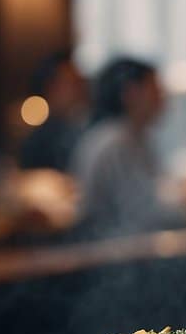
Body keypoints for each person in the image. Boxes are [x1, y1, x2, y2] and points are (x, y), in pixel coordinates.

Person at [69, 57, 171, 236]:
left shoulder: (135, 137)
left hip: (128, 249)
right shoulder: (114, 142)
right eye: (155, 89)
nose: (163, 97)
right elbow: (144, 213)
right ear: (131, 93)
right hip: (111, 253)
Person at [18, 51, 90, 172]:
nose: (80, 88)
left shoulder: (89, 127)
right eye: (71, 82)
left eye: (79, 81)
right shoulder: (38, 141)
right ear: (50, 88)